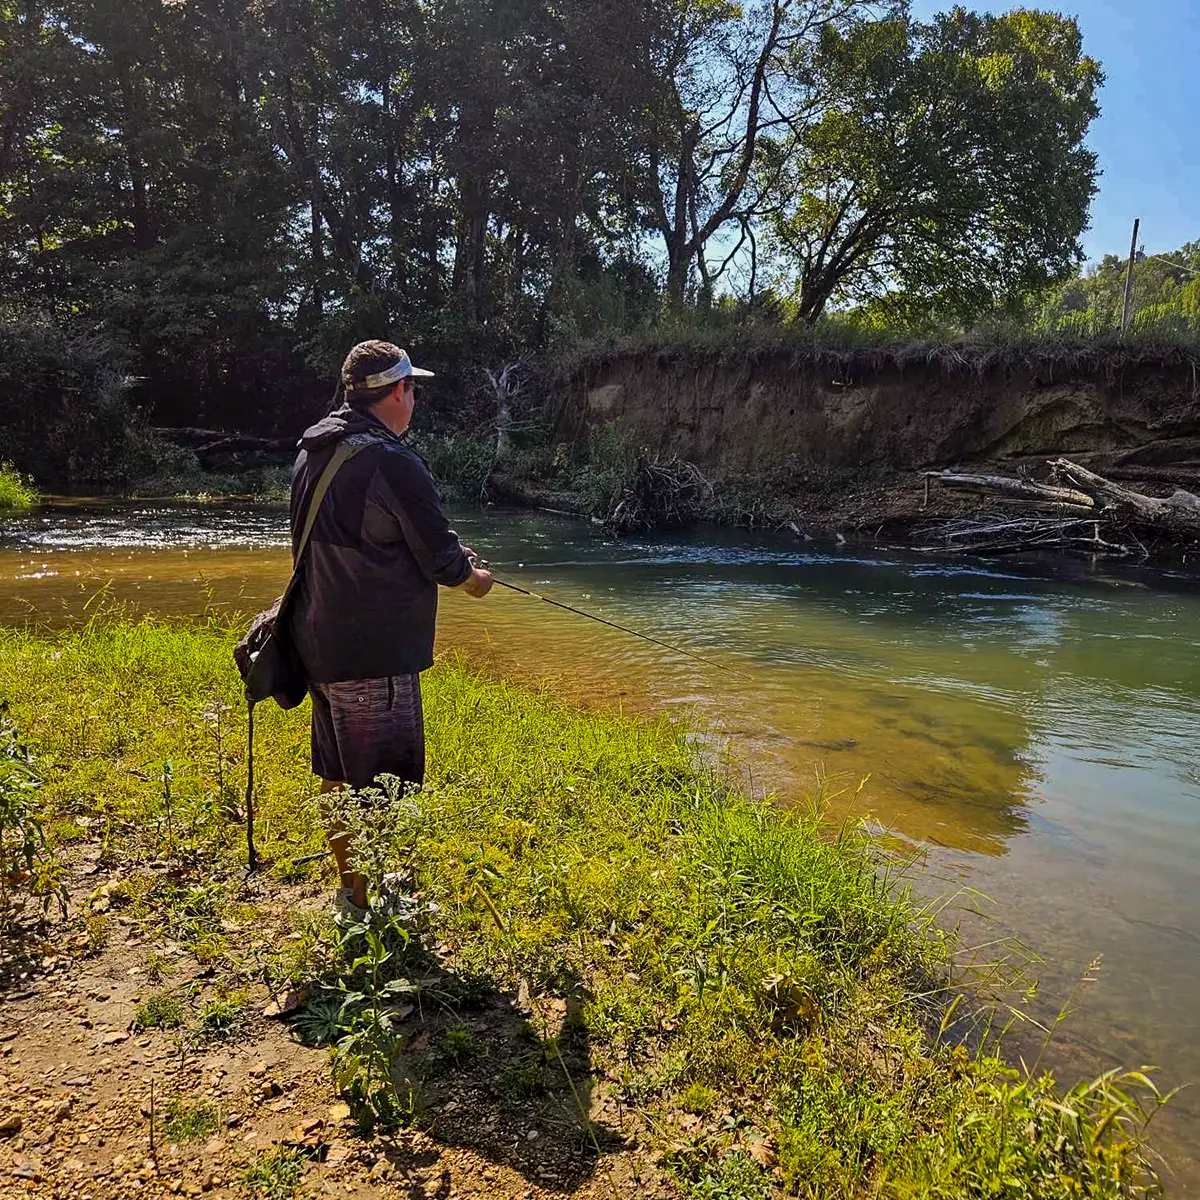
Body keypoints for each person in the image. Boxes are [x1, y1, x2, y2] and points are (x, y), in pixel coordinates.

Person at [289, 339, 493, 916]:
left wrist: (447, 557)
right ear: (397, 392)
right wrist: (473, 577)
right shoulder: (393, 460)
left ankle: (351, 888)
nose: (416, 398)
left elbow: (367, 538)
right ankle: (369, 904)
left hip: (319, 641)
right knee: (382, 786)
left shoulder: (313, 449)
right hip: (374, 651)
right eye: (413, 388)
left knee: (336, 774)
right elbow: (441, 560)